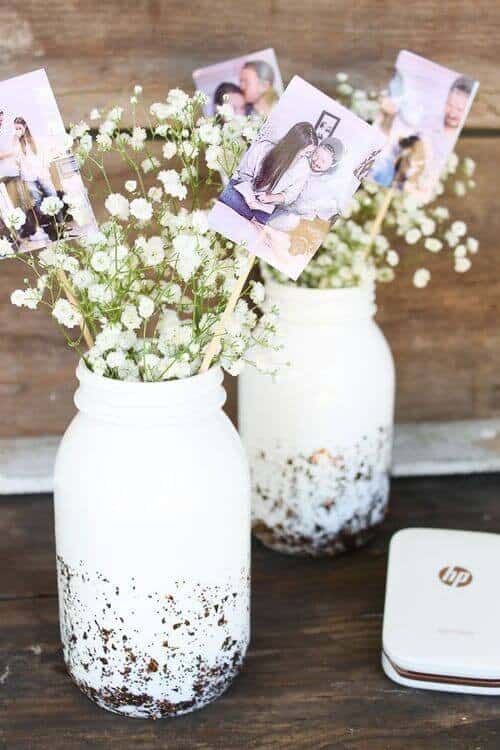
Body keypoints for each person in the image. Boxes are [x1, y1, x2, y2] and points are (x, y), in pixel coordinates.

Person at [219, 122, 318, 223]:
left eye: (308, 153)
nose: (303, 156)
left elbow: (291, 195)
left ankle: (251, 216)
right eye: (301, 151)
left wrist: (270, 198)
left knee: (277, 220)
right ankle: (251, 216)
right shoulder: (263, 148)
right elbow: (244, 174)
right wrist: (249, 197)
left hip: (265, 206)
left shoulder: (303, 166)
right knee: (225, 190)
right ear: (292, 146)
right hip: (245, 193)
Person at [269, 137, 347, 231]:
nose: (317, 162)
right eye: (316, 155)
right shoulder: (302, 163)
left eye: (323, 161)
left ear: (332, 164)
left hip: (297, 220)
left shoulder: (326, 185)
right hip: (277, 205)